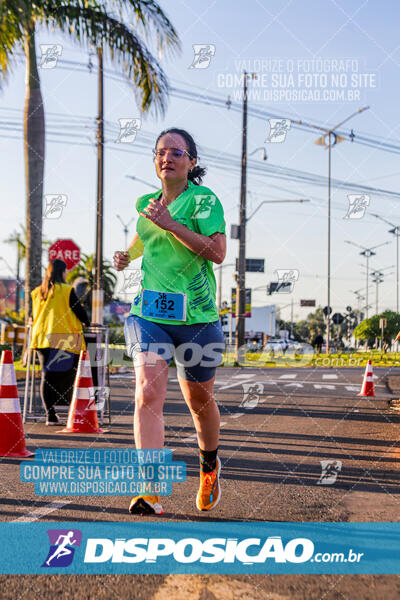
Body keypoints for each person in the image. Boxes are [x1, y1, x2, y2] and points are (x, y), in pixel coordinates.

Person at [114, 127, 226, 515]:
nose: (167, 158)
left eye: (176, 152)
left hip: (197, 318)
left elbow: (217, 252)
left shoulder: (203, 201)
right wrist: (126, 256)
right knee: (147, 390)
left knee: (198, 402)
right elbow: (146, 238)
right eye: (161, 152)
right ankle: (149, 489)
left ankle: (209, 465)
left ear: (191, 162)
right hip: (149, 314)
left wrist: (172, 225)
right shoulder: (146, 204)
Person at [30, 259, 90, 425]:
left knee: (47, 377)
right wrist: (88, 322)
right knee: (69, 377)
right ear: (63, 273)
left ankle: (51, 416)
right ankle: (72, 412)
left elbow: (33, 315)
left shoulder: (37, 292)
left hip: (42, 338)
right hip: (63, 338)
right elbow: (79, 311)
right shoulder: (66, 290)